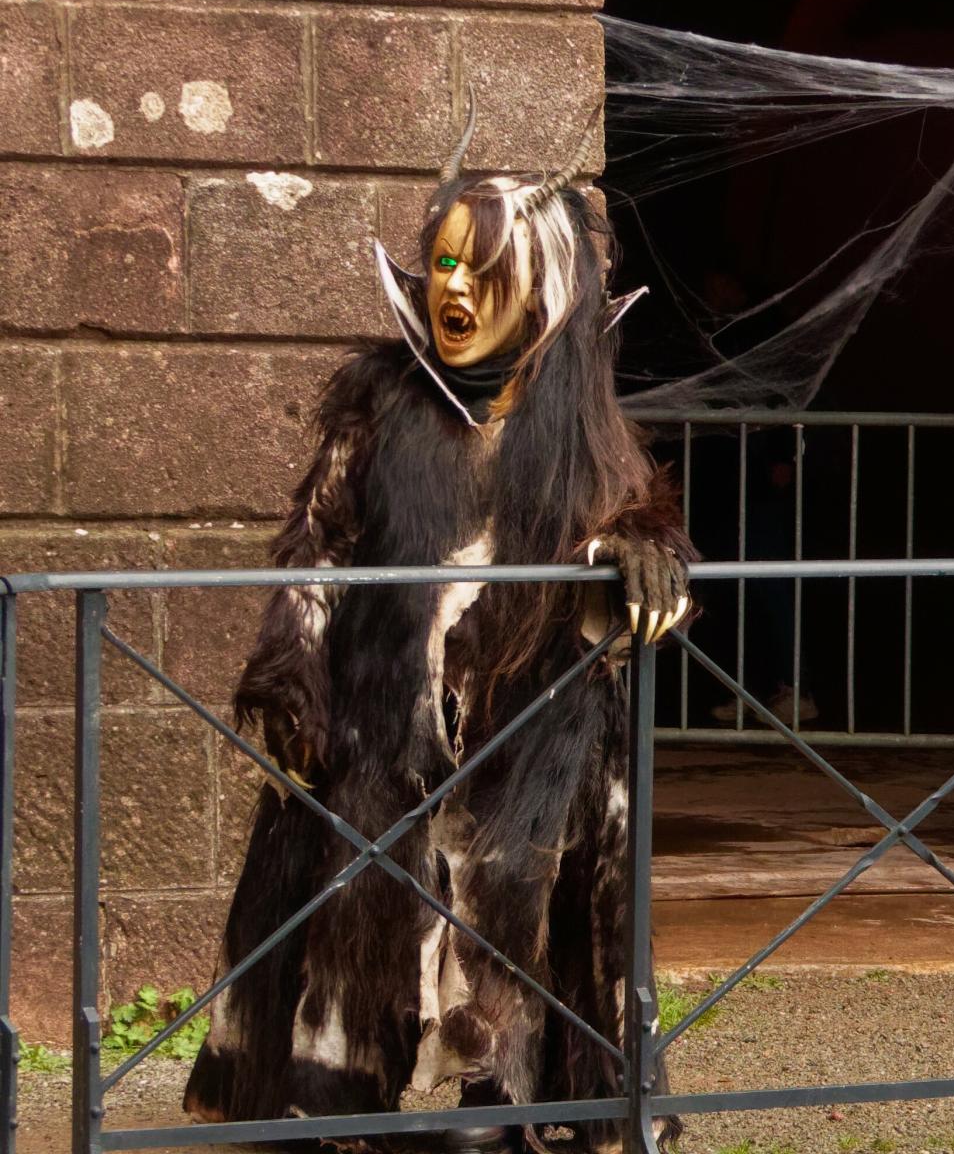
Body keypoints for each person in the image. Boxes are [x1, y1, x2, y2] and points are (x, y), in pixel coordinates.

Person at [183, 94, 694, 1154]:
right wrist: (293, 672)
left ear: (539, 288)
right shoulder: (381, 405)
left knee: (515, 889)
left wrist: (643, 558)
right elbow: (316, 544)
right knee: (358, 894)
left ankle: (514, 1103)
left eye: (481, 267)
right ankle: (332, 1096)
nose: (453, 285)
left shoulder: (580, 435)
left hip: (525, 741)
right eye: (444, 263)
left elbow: (629, 530)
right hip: (382, 723)